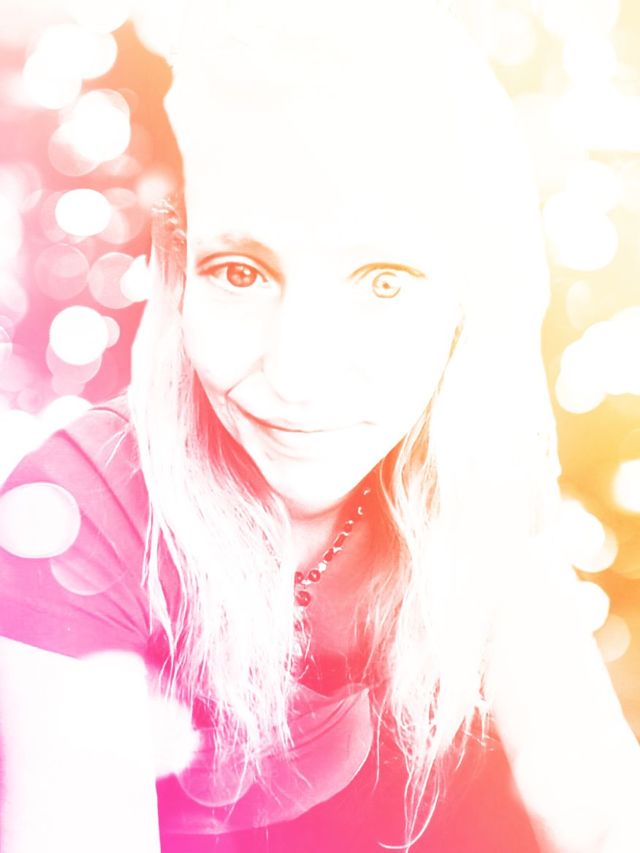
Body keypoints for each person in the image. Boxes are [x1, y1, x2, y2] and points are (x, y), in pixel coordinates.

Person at [1, 1, 639, 851]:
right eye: (239, 271)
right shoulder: (82, 511)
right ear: (178, 275)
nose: (297, 375)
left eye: (383, 282)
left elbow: (599, 809)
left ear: (466, 299)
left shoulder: (470, 480)